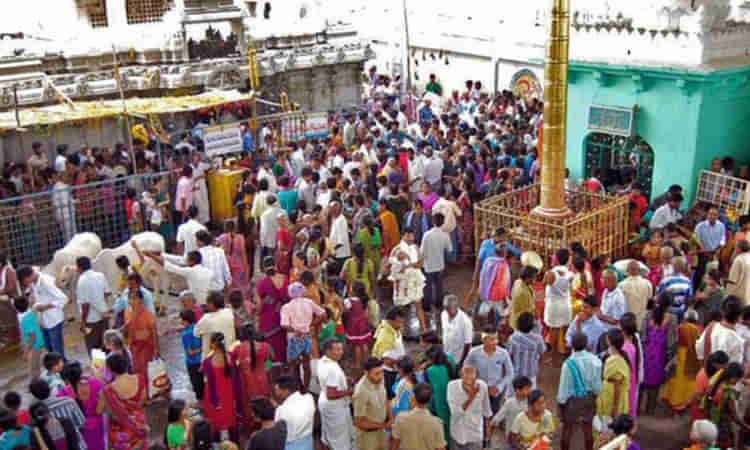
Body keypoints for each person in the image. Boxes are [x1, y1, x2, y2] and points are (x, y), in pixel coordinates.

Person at [281, 282, 326, 391]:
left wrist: (295, 330)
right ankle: (305, 388)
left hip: (294, 338)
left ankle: (296, 387)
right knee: (306, 363)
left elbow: (284, 324)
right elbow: (323, 314)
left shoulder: (287, 307)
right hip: (307, 336)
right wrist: (311, 324)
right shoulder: (309, 303)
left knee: (293, 364)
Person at [17, 266, 68, 358]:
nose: (25, 284)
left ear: (27, 277)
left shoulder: (45, 282)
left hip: (54, 320)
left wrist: (45, 307)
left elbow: (63, 298)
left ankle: (63, 369)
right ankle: (56, 369)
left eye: (24, 281)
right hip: (44, 322)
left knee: (57, 351)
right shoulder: (34, 282)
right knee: (49, 349)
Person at [101, 353, 149, 450]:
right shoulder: (140, 378)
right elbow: (143, 400)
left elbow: (103, 411)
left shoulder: (108, 390)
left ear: (111, 370)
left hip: (122, 430)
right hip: (140, 424)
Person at [230, 323, 271, 432]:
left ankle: (251, 432)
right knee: (264, 405)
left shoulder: (237, 349)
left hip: (247, 383)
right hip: (263, 381)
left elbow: (232, 364)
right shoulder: (265, 346)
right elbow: (269, 362)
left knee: (249, 409)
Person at [464, 327, 514, 414]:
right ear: (483, 340)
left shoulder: (503, 353)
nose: (495, 342)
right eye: (491, 339)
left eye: (496, 339)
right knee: (479, 414)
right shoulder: (473, 353)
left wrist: (499, 387)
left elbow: (510, 373)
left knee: (494, 413)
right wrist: (473, 383)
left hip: (495, 392)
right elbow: (465, 369)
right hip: (479, 390)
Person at [662, 308, 702, 414]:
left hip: (681, 354)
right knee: (688, 378)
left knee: (677, 377)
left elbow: (675, 341)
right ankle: (685, 401)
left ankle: (672, 399)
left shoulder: (681, 327)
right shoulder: (698, 329)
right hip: (693, 356)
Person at [317, 338, 355, 450]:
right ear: (328, 351)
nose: (341, 352)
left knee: (327, 434)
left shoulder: (322, 361)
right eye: (337, 350)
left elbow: (324, 381)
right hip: (335, 407)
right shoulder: (332, 368)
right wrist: (350, 391)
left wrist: (344, 379)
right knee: (339, 439)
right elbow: (331, 394)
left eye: (341, 349)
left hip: (325, 402)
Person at [202, 333, 239, 443]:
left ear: (213, 345)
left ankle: (216, 444)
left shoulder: (207, 362)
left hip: (214, 395)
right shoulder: (231, 356)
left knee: (215, 422)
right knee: (231, 419)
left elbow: (206, 379)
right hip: (228, 393)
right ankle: (235, 444)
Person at [703, 362, 750, 447]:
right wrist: (747, 427)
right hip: (722, 430)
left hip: (711, 426)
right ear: (732, 377)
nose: (738, 381)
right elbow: (735, 418)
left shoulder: (715, 383)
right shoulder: (728, 393)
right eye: (737, 379)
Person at [60, 361, 105, 450]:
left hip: (79, 429)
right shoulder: (96, 383)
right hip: (97, 425)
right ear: (81, 373)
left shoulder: (63, 393)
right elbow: (100, 408)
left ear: (67, 379)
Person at [143, 249, 213, 305]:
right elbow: (178, 259)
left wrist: (151, 255)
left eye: (187, 260)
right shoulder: (209, 272)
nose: (185, 262)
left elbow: (169, 266)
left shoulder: (190, 271)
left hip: (196, 302)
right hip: (208, 301)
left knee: (182, 295)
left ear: (192, 261)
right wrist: (160, 253)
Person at [445, 366, 492, 450]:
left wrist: (487, 435)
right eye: (466, 381)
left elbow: (486, 411)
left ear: (476, 378)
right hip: (457, 434)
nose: (469, 386)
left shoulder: (482, 386)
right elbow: (455, 413)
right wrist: (471, 397)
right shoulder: (451, 386)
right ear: (461, 377)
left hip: (475, 435)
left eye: (472, 381)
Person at [256, 256, 290, 369]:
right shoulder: (285, 279)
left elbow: (259, 305)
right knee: (282, 344)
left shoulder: (262, 283)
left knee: (270, 346)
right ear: (276, 266)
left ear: (264, 268)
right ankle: (284, 365)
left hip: (268, 320)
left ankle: (271, 368)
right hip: (283, 318)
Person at [390, 383, 447, 450]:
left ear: (414, 397)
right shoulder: (437, 423)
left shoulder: (400, 417)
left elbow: (395, 443)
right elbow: (440, 448)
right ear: (431, 398)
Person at [123, 289, 159, 388]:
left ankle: (147, 393)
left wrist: (156, 349)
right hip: (133, 347)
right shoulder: (127, 312)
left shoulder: (147, 314)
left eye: (134, 298)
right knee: (136, 371)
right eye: (129, 298)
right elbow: (126, 331)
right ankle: (141, 392)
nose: (131, 301)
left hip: (146, 347)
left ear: (140, 300)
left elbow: (154, 332)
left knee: (145, 371)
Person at [352, 357, 390, 450]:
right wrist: (383, 425)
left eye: (382, 372)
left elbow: (385, 399)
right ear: (366, 373)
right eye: (377, 373)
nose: (381, 376)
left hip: (381, 431)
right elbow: (358, 422)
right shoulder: (361, 392)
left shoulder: (379, 378)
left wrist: (390, 417)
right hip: (368, 437)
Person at [75, 256, 110, 354]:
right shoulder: (100, 275)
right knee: (106, 344)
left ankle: (99, 368)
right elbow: (107, 293)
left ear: (79, 267)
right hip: (104, 316)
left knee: (94, 349)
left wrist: (83, 322)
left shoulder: (81, 281)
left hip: (90, 320)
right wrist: (100, 303)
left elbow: (85, 305)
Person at [421, 213, 452, 322]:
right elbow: (449, 250)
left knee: (427, 288)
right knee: (439, 287)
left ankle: (427, 308)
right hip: (440, 265)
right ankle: (439, 306)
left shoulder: (427, 235)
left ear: (433, 222)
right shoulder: (445, 235)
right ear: (442, 223)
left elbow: (422, 252)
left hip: (428, 266)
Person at [696, 295, 745, 364]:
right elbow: (734, 369)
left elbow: (699, 349)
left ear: (722, 311)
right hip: (724, 374)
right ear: (739, 317)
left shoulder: (711, 327)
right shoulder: (737, 340)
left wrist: (705, 366)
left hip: (707, 371)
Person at [597, 329, 631, 428]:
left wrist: (615, 407)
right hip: (613, 396)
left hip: (612, 398)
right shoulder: (621, 356)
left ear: (609, 341)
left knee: (608, 424)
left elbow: (617, 386)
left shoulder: (613, 361)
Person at [273, 375, 316, 450]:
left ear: (286, 391)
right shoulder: (309, 398)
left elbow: (278, 433)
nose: (275, 392)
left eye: (277, 389)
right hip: (308, 442)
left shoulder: (281, 410)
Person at [372, 307, 407, 399]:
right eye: (399, 322)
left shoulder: (394, 329)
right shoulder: (385, 336)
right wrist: (401, 367)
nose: (401, 325)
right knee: (390, 394)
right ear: (390, 321)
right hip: (388, 371)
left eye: (402, 322)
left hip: (397, 367)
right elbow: (385, 359)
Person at [544, 249, 574, 354]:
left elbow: (544, 282)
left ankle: (553, 354)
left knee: (554, 330)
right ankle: (563, 349)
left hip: (554, 305)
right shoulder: (570, 273)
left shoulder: (551, 273)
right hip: (565, 304)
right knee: (565, 329)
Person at [194, 293, 237, 362]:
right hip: (229, 355)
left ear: (211, 304)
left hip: (212, 359)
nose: (206, 305)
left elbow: (196, 333)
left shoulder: (206, 319)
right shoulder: (229, 312)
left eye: (207, 303)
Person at [507, 312, 546, 387]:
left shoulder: (513, 338)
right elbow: (542, 353)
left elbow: (509, 356)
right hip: (531, 373)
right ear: (532, 326)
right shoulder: (538, 338)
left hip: (517, 373)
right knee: (531, 395)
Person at [343, 281, 374, 371]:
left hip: (354, 325)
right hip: (363, 323)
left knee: (356, 345)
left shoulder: (348, 301)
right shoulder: (364, 299)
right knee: (364, 343)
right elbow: (366, 313)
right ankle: (367, 361)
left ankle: (357, 364)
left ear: (353, 290)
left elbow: (345, 312)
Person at [423, 346, 453, 440]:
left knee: (440, 424)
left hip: (437, 402)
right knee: (448, 422)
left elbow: (428, 387)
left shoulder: (430, 370)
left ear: (431, 359)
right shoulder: (449, 362)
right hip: (450, 398)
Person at [216, 221, 251, 297]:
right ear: (235, 227)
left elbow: (216, 248)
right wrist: (246, 266)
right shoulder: (240, 237)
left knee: (229, 284)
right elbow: (243, 253)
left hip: (226, 263)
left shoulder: (221, 237)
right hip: (239, 264)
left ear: (225, 227)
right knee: (240, 285)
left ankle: (231, 301)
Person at [618, 313, 642, 419]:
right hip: (632, 380)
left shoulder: (624, 348)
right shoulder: (633, 343)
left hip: (625, 382)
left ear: (623, 330)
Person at [14, 296, 45, 379]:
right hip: (39, 342)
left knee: (32, 369)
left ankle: (36, 385)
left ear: (16, 308)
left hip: (34, 346)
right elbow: (39, 325)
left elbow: (32, 337)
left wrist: (26, 352)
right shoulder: (31, 313)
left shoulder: (24, 320)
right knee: (36, 366)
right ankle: (39, 381)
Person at [440, 294, 473, 368]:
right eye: (446, 309)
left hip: (458, 358)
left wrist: (461, 362)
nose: (447, 312)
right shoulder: (443, 314)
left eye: (450, 309)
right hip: (446, 354)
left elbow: (468, 344)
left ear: (456, 307)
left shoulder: (465, 322)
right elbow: (444, 333)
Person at [657, 256, 693, 321]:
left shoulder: (665, 280)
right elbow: (688, 299)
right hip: (681, 311)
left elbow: (659, 297)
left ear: (673, 267)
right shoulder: (688, 281)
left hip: (667, 312)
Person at [179, 309, 203, 405]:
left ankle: (200, 403)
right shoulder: (198, 328)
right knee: (202, 381)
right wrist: (202, 349)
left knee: (196, 383)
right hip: (201, 360)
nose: (180, 322)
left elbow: (190, 353)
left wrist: (197, 350)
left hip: (192, 363)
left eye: (182, 320)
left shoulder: (186, 334)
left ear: (186, 321)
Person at [619, 260, 653, 328]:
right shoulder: (648, 284)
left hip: (628, 323)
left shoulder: (621, 285)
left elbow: (620, 305)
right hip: (642, 320)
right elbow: (650, 300)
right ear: (639, 270)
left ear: (627, 270)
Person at [509, 266, 536, 331]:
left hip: (517, 319)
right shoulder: (522, 292)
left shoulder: (518, 281)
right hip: (521, 324)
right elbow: (525, 312)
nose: (535, 279)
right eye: (534, 277)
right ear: (527, 278)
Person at [727, 239, 750, 304]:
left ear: (739, 248)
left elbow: (733, 280)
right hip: (747, 294)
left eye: (736, 247)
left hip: (737, 296)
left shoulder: (738, 260)